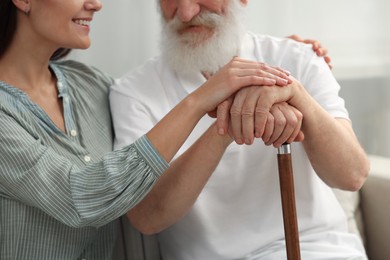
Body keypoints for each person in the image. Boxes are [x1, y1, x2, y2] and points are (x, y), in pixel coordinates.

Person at [0, 0, 296, 259]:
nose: (96, 3)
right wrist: (197, 100)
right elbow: (81, 198)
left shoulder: (90, 84)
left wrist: (275, 63)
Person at [110, 0, 370, 259]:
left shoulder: (297, 57)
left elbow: (352, 176)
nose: (186, 12)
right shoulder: (133, 92)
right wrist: (228, 125)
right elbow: (147, 218)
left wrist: (297, 96)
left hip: (324, 252)